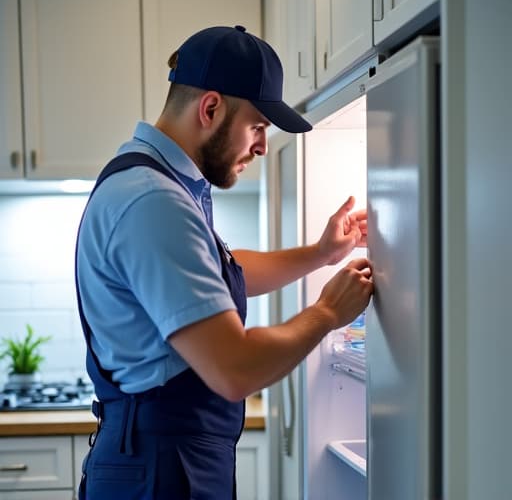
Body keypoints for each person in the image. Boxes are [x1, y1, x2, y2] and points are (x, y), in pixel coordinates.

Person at [75, 25, 373, 500]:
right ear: (210, 109)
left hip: (165, 459)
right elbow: (233, 369)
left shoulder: (162, 181)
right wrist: (327, 314)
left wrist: (322, 254)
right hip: (160, 469)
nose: (261, 146)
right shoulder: (154, 201)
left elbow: (216, 274)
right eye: (257, 126)